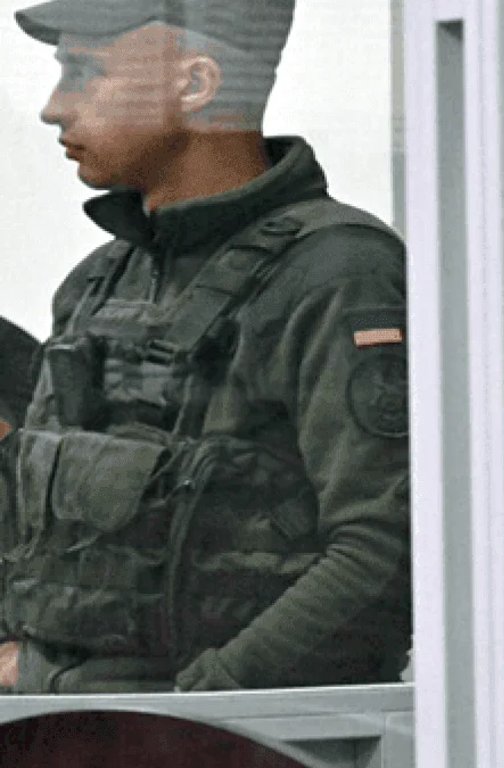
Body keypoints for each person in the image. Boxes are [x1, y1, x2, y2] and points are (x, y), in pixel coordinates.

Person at [0, 0, 410, 692]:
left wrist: (200, 708)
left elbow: (383, 553)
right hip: (87, 724)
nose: (53, 107)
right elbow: (32, 530)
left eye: (85, 72)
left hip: (243, 733)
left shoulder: (337, 274)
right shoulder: (96, 285)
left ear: (195, 85)